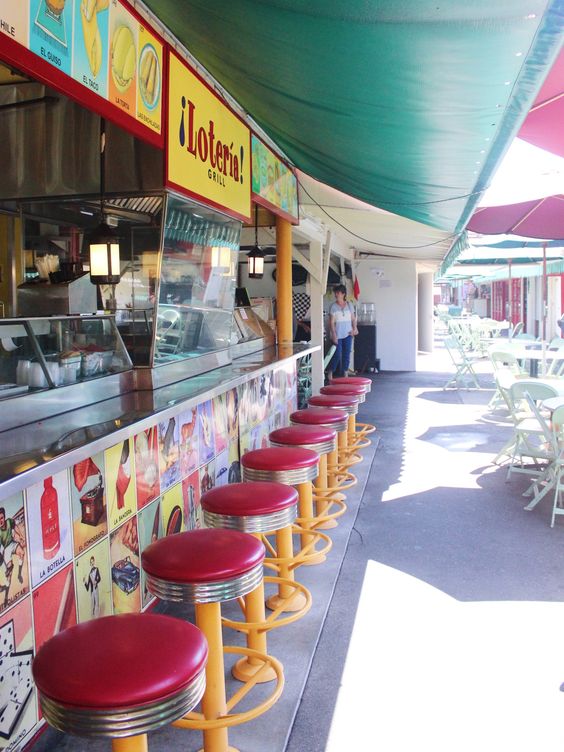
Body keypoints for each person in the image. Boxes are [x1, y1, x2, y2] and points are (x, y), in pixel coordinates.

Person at [328, 284, 358, 378]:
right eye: (335, 293)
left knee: (346, 354)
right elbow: (331, 322)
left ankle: (345, 372)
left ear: (343, 294)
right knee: (336, 355)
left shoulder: (349, 305)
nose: (336, 295)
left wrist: (355, 328)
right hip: (337, 334)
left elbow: (353, 319)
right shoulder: (333, 306)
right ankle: (330, 371)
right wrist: (333, 334)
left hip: (348, 334)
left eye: (338, 293)